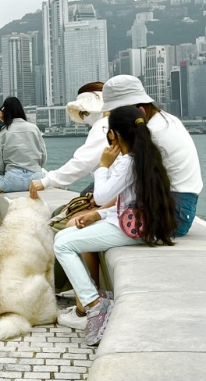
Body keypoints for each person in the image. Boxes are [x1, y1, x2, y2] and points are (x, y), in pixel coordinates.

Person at [53, 105, 177, 346]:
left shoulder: (125, 163)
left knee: (62, 243)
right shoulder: (146, 157)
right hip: (140, 224)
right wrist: (98, 216)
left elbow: (100, 196)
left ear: (115, 134)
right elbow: (128, 200)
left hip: (129, 229)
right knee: (70, 235)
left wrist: (102, 166)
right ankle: (94, 302)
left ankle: (94, 305)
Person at [100, 75, 202, 237]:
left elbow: (124, 183)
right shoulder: (166, 120)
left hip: (172, 212)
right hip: (179, 207)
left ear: (138, 109)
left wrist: (100, 211)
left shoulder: (152, 135)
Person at [30, 82, 108, 199]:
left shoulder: (103, 125)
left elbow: (82, 162)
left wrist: (47, 181)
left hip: (112, 188)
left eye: (85, 112)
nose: (84, 117)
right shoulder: (120, 121)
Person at [0, 97, 46, 232]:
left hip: (12, 180)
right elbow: (43, 154)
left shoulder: (2, 131)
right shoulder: (34, 128)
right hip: (37, 179)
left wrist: (3, 173)